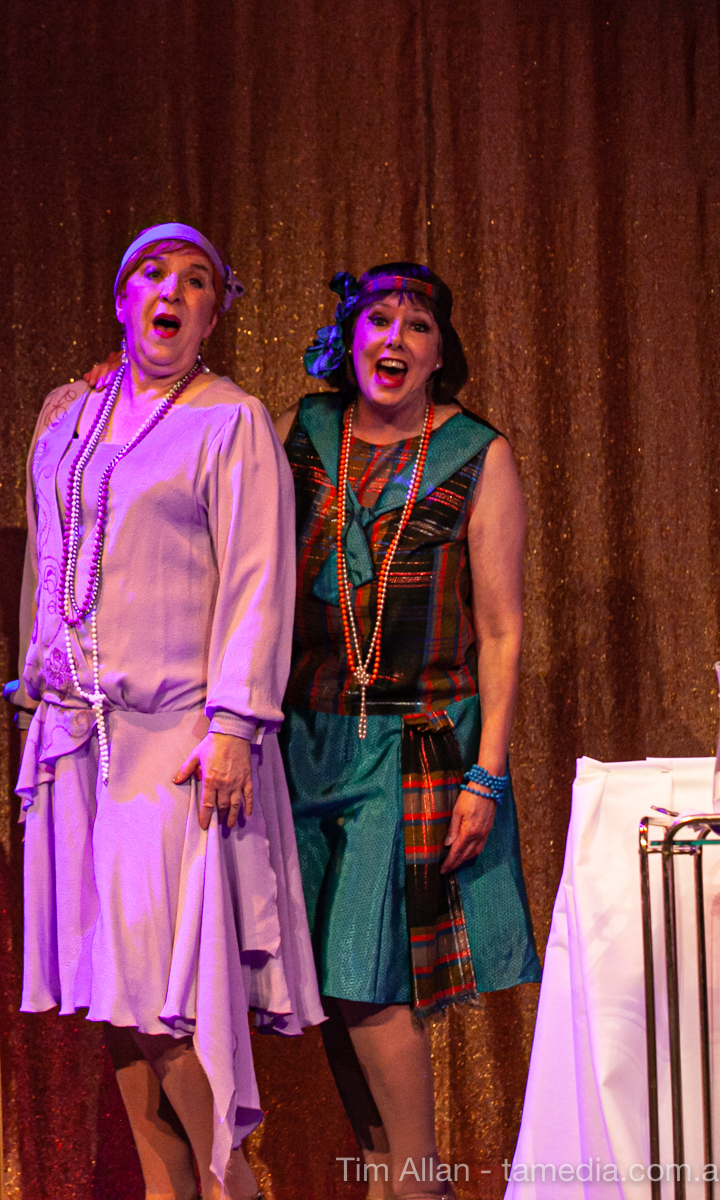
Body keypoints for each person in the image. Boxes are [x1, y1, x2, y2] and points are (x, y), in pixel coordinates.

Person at [15, 223, 323, 1199]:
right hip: (76, 732)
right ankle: (167, 1185)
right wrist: (35, 680)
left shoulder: (230, 422)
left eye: (196, 281)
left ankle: (233, 1183)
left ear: (212, 314)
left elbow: (259, 578)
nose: (172, 291)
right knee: (114, 986)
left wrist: (235, 724)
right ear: (121, 297)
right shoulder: (69, 414)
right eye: (153, 273)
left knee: (164, 988)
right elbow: (49, 557)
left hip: (176, 736)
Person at [275, 264, 541, 1199]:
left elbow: (501, 630)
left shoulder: (476, 454)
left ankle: (420, 1183)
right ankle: (390, 1178)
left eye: (417, 325)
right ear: (349, 338)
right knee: (325, 984)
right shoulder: (303, 433)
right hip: (301, 744)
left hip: (410, 743)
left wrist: (488, 775)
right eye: (379, 319)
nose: (395, 338)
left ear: (438, 353)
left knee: (366, 973)